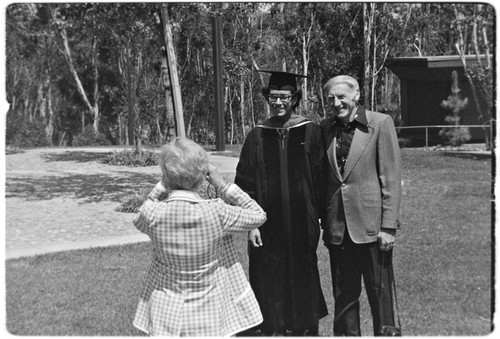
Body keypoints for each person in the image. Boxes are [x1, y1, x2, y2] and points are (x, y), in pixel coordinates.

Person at [132, 137, 267, 337]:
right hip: (208, 312)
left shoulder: (152, 213)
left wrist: (162, 185)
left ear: (167, 175)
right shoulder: (217, 212)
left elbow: (140, 214)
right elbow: (259, 215)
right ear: (201, 175)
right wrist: (223, 185)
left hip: (164, 311)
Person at [235, 70, 328, 336]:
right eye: (273, 97)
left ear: (294, 98)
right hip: (265, 226)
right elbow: (245, 184)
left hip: (303, 223)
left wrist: (318, 218)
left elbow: (322, 179)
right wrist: (251, 225)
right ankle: (271, 326)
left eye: (284, 97)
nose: (278, 103)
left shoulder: (310, 132)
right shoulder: (257, 136)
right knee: (268, 274)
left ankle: (304, 327)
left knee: (303, 272)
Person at [319, 75, 402, 336]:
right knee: (344, 297)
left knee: (381, 295)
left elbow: (390, 178)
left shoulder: (380, 124)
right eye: (331, 98)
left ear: (356, 96)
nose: (336, 102)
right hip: (339, 230)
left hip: (372, 228)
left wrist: (388, 226)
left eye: (342, 96)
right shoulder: (325, 128)